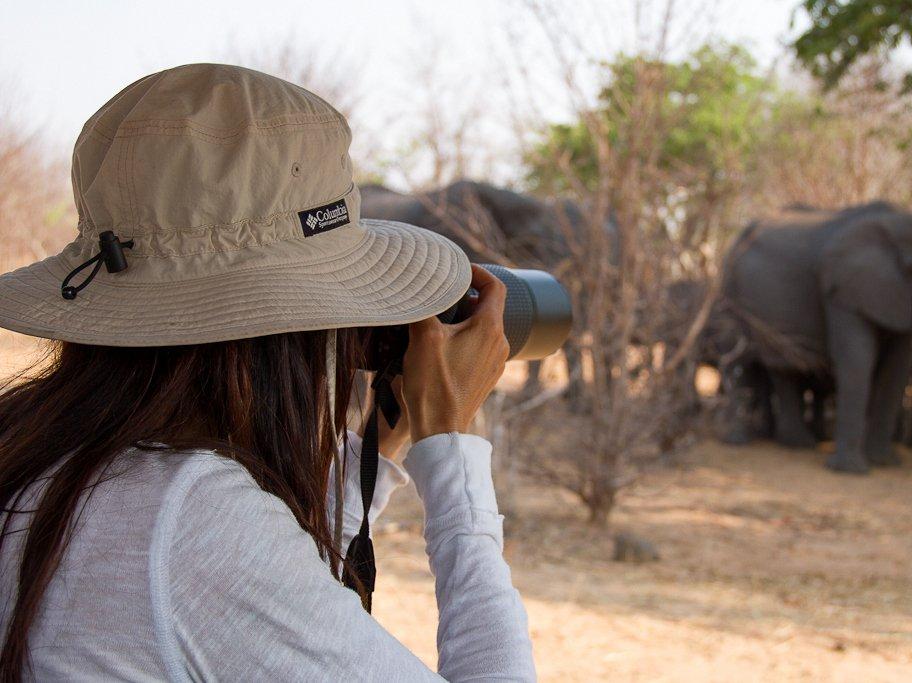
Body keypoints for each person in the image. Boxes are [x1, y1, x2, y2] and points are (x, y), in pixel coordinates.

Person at [0, 64, 535, 681]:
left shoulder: (40, 452)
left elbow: (233, 602)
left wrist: (379, 449)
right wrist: (451, 448)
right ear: (291, 324)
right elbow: (206, 566)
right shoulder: (193, 518)